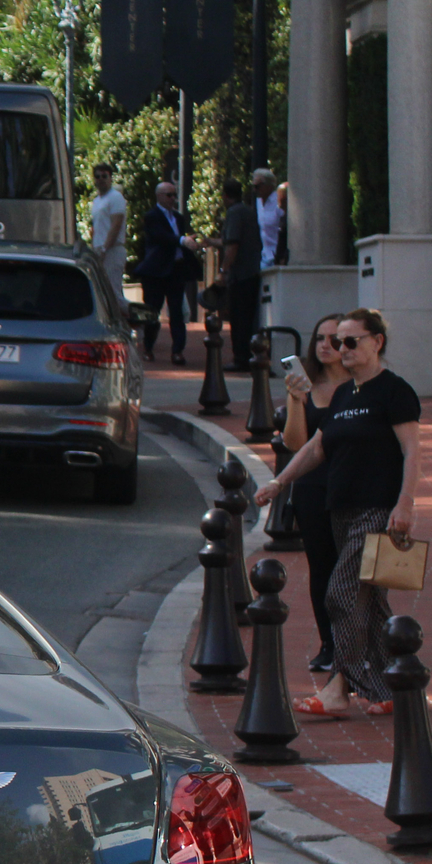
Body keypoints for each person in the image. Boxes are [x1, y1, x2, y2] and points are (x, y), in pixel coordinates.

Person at [255, 308, 423, 719]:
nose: (340, 349)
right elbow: (315, 447)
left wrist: (405, 503)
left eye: (351, 341)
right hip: (340, 509)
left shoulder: (394, 391)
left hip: (377, 511)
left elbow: (412, 451)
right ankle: (392, 688)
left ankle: (339, 688)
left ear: (376, 342)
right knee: (372, 603)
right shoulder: (347, 394)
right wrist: (280, 482)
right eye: (337, 342)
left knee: (341, 593)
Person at [280, 316, 346, 677]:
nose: (326, 345)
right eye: (320, 338)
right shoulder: (308, 386)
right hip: (311, 486)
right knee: (322, 566)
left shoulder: (363, 386)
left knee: (352, 568)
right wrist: (295, 399)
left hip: (352, 486)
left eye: (335, 339)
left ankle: (357, 644)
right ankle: (329, 645)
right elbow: (294, 443)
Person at [218, 167, 287, 365]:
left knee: (246, 312)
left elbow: (234, 243)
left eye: (258, 186)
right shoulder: (254, 205)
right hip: (258, 259)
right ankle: (250, 352)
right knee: (252, 311)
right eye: (253, 186)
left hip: (269, 260)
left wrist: (224, 270)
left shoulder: (277, 202)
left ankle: (247, 355)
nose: (255, 190)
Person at [134, 180, 203, 364]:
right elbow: (161, 237)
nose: (172, 198)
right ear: (159, 196)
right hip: (155, 273)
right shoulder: (152, 216)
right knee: (152, 313)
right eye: (168, 195)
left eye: (174, 194)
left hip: (175, 271)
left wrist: (190, 244)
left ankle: (178, 351)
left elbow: (179, 240)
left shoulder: (179, 218)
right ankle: (148, 347)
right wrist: (182, 240)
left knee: (177, 313)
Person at [88, 162, 129, 306]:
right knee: (102, 292)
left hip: (112, 249)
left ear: (110, 178)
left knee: (113, 293)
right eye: (97, 176)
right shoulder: (96, 201)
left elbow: (116, 224)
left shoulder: (115, 197)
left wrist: (105, 248)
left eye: (104, 176)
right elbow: (96, 228)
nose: (101, 179)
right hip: (100, 250)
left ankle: (140, 324)